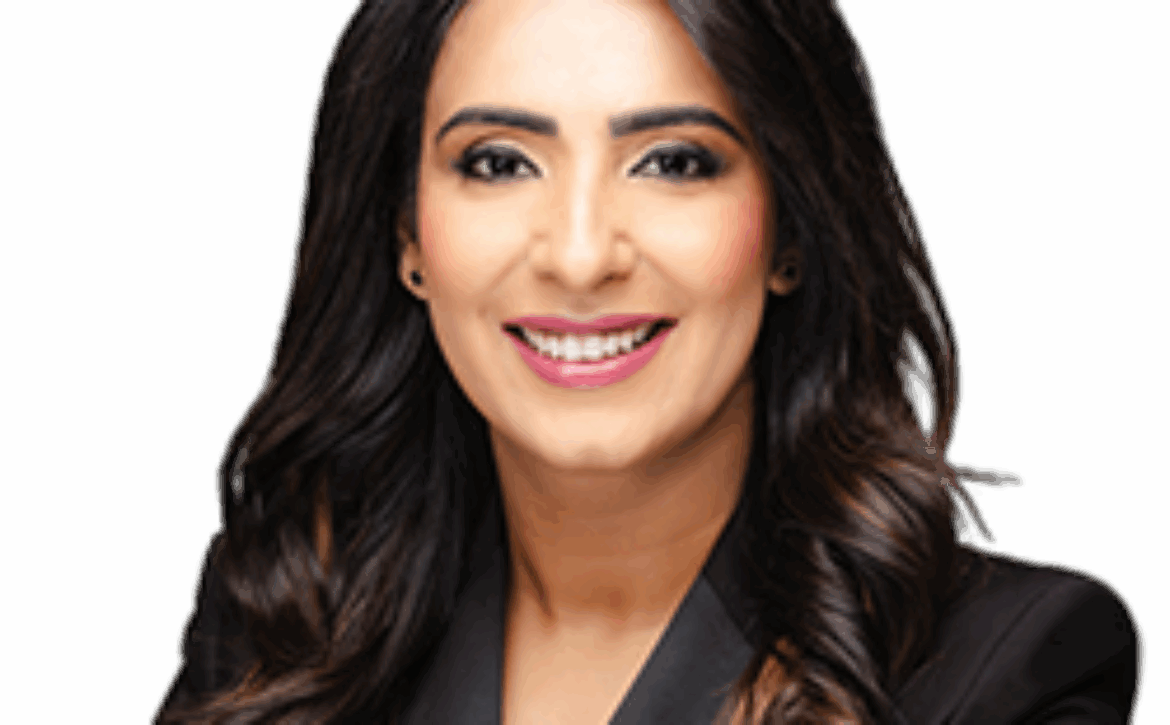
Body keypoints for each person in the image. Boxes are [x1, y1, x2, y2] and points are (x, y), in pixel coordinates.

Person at [153, 1, 1142, 723]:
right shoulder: (285, 623)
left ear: (791, 230)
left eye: (673, 161)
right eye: (498, 161)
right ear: (409, 235)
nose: (582, 255)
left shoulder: (1003, 672)